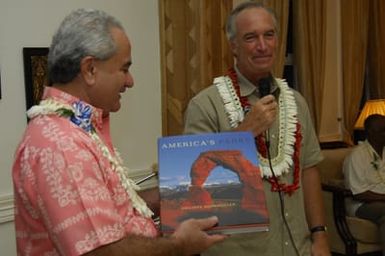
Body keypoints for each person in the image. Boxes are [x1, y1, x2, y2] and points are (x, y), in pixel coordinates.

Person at [12, 8, 226, 256]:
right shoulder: (60, 144)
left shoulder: (74, 128)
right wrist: (179, 246)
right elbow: (101, 252)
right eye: (124, 69)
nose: (130, 81)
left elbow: (106, 214)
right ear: (90, 69)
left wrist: (165, 197)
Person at [183, 2, 330, 255]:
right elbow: (192, 180)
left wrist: (320, 236)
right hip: (240, 250)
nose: (262, 46)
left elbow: (308, 171)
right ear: (234, 46)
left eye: (269, 35)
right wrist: (244, 133)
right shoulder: (206, 105)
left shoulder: (296, 102)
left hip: (298, 246)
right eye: (251, 37)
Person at [343, 114, 385, 254]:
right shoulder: (356, 156)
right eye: (383, 130)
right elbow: (359, 194)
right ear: (371, 133)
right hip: (362, 205)